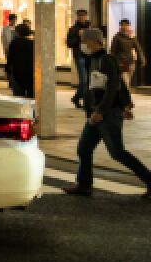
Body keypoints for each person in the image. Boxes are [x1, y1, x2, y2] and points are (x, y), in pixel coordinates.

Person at [64, 28, 151, 199]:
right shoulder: (93, 60)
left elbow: (113, 87)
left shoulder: (106, 60)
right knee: (84, 148)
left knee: (117, 152)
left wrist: (104, 110)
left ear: (94, 41)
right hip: (96, 113)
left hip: (106, 113)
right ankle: (84, 184)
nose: (83, 44)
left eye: (85, 41)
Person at [66, 10, 91, 109]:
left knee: (89, 80)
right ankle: (86, 102)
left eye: (83, 15)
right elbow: (69, 43)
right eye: (80, 16)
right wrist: (78, 36)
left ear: (86, 16)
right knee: (84, 80)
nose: (82, 17)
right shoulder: (73, 29)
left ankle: (76, 98)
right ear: (77, 17)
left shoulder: (91, 28)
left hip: (90, 56)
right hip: (80, 56)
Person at [111, 19, 143, 96]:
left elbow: (138, 48)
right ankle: (125, 100)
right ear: (120, 26)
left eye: (126, 25)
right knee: (125, 82)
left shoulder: (132, 36)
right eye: (122, 25)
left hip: (131, 62)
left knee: (128, 81)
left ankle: (124, 99)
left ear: (129, 26)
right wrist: (114, 62)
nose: (124, 26)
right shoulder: (117, 37)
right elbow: (113, 51)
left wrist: (142, 59)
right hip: (121, 63)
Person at [5, 23, 35, 98]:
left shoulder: (14, 43)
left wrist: (7, 70)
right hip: (30, 72)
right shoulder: (32, 43)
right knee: (30, 95)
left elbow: (10, 58)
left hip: (17, 72)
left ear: (18, 32)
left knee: (18, 96)